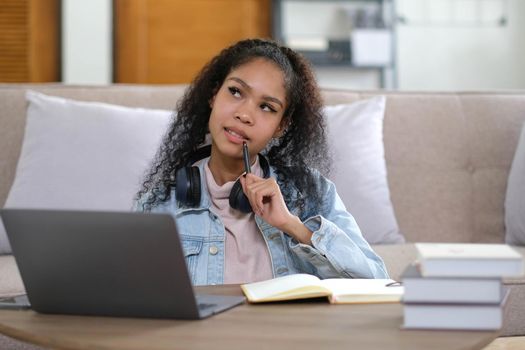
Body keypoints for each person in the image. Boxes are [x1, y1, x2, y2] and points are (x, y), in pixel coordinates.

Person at [135, 38, 389, 285]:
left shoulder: (312, 194)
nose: (244, 114)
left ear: (281, 126)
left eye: (267, 107)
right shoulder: (158, 204)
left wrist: (293, 226)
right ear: (214, 95)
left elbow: (377, 281)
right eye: (235, 92)